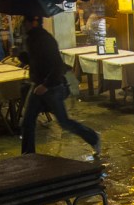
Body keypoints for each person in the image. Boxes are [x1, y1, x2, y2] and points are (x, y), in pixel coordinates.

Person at [18, 14, 100, 155]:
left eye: (24, 21)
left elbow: (57, 65)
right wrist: (21, 55)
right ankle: (27, 155)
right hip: (37, 86)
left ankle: (93, 137)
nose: (22, 24)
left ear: (34, 22)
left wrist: (46, 85)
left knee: (64, 122)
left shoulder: (45, 39)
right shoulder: (30, 39)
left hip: (51, 87)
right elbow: (35, 61)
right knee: (27, 122)